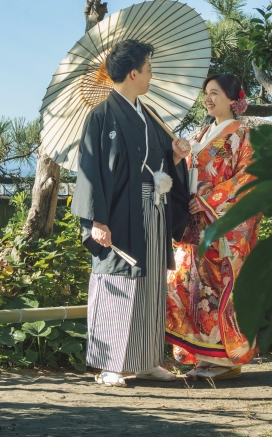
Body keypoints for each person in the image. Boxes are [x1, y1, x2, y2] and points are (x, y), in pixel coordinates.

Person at [71, 39, 191, 387]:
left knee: (151, 281)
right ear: (134, 72)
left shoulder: (147, 114)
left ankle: (147, 358)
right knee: (116, 281)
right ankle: (111, 364)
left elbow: (160, 163)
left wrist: (176, 157)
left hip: (153, 207)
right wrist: (96, 220)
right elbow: (90, 170)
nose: (152, 75)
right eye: (149, 69)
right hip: (118, 213)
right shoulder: (101, 116)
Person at [165, 73, 262, 380]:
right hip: (195, 221)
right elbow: (191, 171)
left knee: (219, 288)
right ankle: (205, 357)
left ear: (234, 100)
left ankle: (227, 361)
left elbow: (249, 178)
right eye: (206, 93)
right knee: (194, 287)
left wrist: (210, 201)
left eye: (215, 93)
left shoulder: (242, 134)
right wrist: (180, 155)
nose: (208, 98)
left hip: (220, 221)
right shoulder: (202, 131)